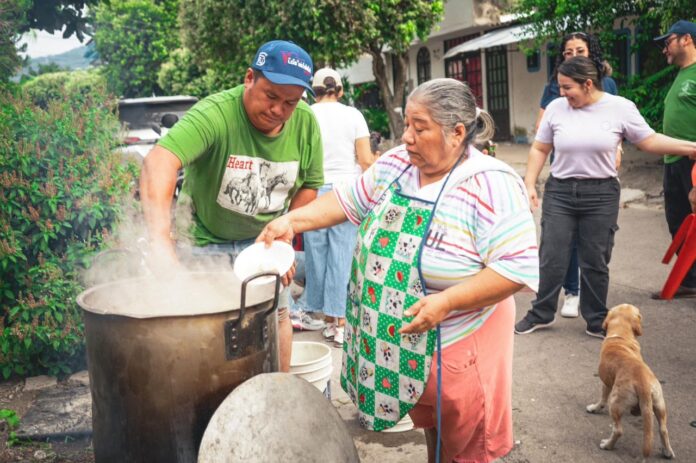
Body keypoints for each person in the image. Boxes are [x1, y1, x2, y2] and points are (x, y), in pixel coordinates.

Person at [258, 78, 539, 462]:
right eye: (406, 124)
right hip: (409, 349)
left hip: (462, 342)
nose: (406, 137)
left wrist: (447, 302)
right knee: (436, 434)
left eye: (419, 127)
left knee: (468, 446)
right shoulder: (396, 165)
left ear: (457, 132)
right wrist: (292, 222)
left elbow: (515, 269)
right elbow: (345, 202)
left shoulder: (492, 183)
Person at [139, 40, 324, 372]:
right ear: (249, 77)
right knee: (205, 331)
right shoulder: (216, 113)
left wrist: (286, 234)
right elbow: (159, 162)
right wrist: (159, 243)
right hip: (204, 242)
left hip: (264, 246)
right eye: (271, 96)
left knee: (275, 314)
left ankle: (277, 396)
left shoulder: (306, 123)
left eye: (290, 102)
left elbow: (310, 184)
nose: (279, 110)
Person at [515, 56, 696, 338]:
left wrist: (690, 147)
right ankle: (541, 312)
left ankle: (597, 317)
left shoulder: (619, 108)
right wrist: (529, 184)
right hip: (561, 191)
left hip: (601, 193)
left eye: (567, 87)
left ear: (588, 84)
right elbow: (540, 148)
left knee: (595, 259)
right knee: (552, 254)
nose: (562, 93)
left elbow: (648, 140)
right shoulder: (556, 109)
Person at [535, 31, 619, 318]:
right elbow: (541, 133)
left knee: (593, 252)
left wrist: (616, 149)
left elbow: (621, 126)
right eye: (568, 52)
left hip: (599, 180)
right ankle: (570, 292)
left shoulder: (608, 88)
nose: (573, 56)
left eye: (579, 51)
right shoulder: (556, 89)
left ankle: (594, 313)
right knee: (557, 247)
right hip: (563, 175)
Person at [291, 67, 375, 345]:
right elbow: (365, 159)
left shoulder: (305, 114)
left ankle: (318, 313)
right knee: (342, 253)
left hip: (314, 191)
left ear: (313, 92)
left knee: (317, 254)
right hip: (347, 192)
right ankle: (339, 320)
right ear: (339, 90)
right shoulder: (353, 115)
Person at [651, 20, 696, 299]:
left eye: (668, 41)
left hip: (693, 162)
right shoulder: (681, 75)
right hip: (673, 162)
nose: (664, 48)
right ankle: (690, 280)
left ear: (687, 40)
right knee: (678, 222)